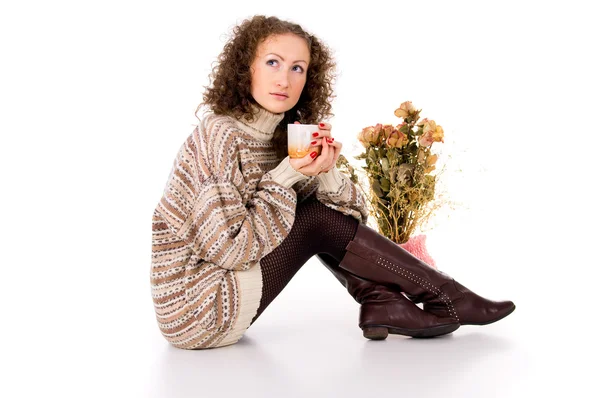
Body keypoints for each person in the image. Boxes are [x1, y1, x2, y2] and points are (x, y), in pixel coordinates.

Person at [150, 15, 515, 350]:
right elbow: (231, 249)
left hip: (227, 297)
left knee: (315, 211)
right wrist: (289, 175)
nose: (284, 79)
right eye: (273, 62)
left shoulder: (283, 139)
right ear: (246, 69)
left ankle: (384, 303)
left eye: (298, 68)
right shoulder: (219, 135)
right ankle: (444, 295)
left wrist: (326, 171)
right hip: (196, 308)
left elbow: (351, 220)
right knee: (311, 217)